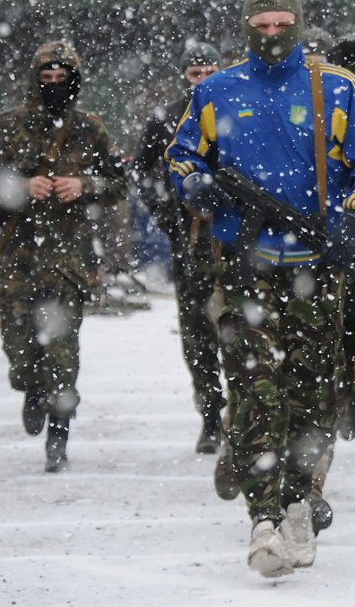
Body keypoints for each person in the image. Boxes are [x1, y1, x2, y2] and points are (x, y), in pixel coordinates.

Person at [166, 0, 355, 577]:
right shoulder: (217, 91)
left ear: (298, 23)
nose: (271, 35)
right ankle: (263, 515)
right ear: (246, 27)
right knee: (252, 388)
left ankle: (300, 499)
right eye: (261, 25)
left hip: (315, 268)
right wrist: (198, 185)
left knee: (313, 392)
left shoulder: (336, 88)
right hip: (243, 265)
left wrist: (354, 215)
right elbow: (181, 155)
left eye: (281, 24)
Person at [0, 41, 128, 473]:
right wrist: (20, 188)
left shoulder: (90, 128)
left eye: (63, 79)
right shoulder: (7, 126)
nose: (55, 86)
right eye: (47, 78)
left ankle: (59, 433)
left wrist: (85, 185)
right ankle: (31, 389)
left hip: (68, 260)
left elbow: (119, 181)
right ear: (34, 79)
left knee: (63, 351)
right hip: (18, 257)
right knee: (19, 351)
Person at [132, 41, 224, 454]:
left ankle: (242, 415)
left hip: (236, 239)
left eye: (208, 73)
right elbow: (143, 172)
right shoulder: (168, 119)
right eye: (194, 75)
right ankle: (210, 416)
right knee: (198, 336)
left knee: (242, 331)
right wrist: (168, 217)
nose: (202, 81)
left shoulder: (238, 111)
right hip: (190, 243)